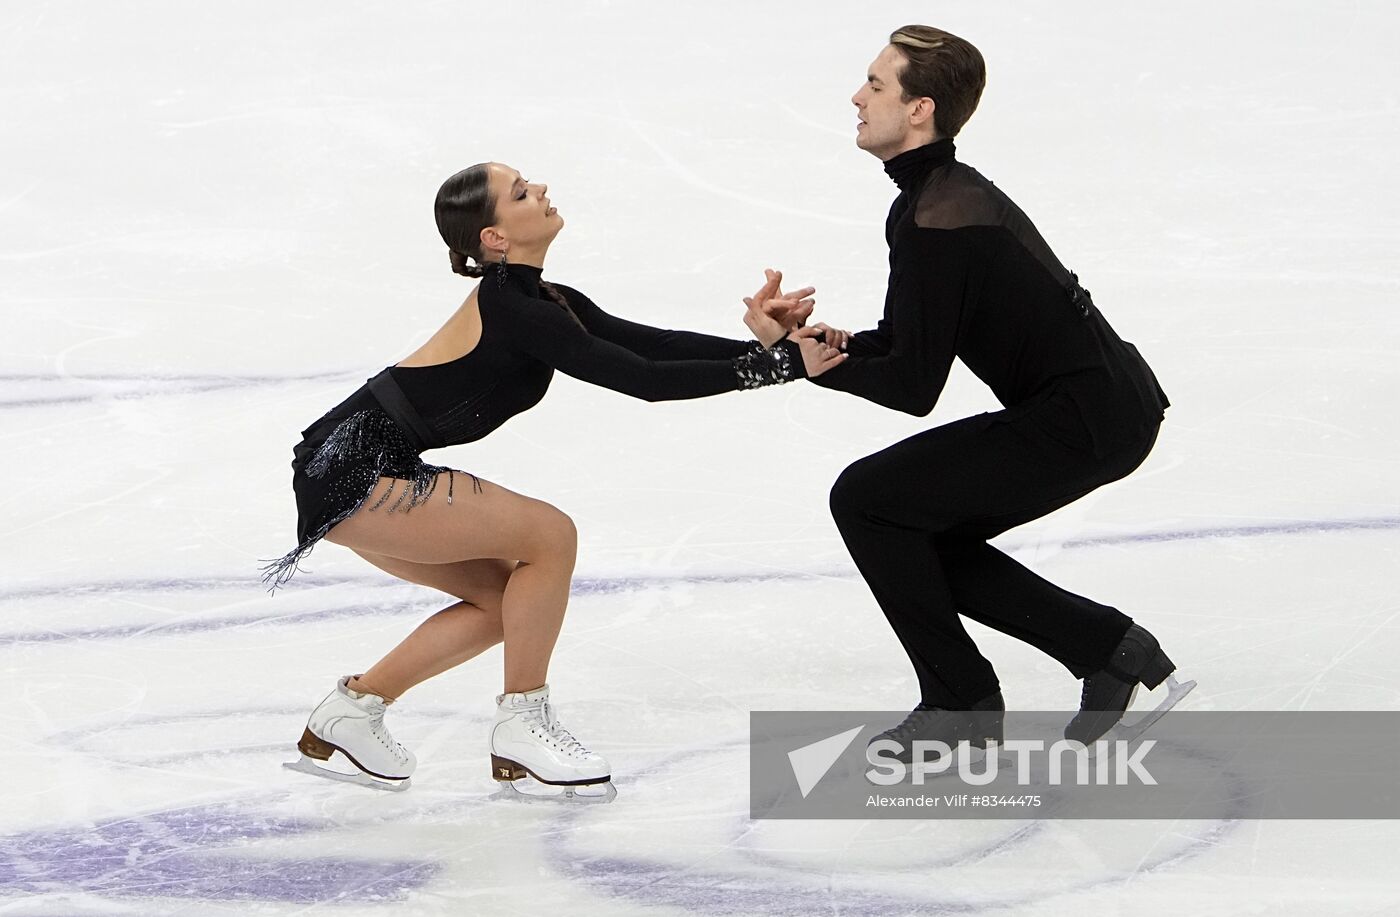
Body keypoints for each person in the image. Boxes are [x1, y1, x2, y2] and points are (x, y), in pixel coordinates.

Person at [264, 161, 845, 798]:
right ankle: (522, 723)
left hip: (361, 464)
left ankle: (355, 709)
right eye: (520, 192)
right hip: (351, 463)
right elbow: (644, 383)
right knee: (550, 535)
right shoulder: (513, 307)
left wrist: (764, 350)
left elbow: (652, 347)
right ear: (494, 238)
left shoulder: (545, 300)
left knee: (502, 602)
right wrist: (783, 367)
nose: (539, 190)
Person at [764, 25, 1191, 756]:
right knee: (910, 525)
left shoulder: (938, 216)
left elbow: (911, 385)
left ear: (920, 109)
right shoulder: (931, 201)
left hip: (1086, 415)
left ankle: (964, 697)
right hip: (1096, 402)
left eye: (876, 84)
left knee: (868, 500)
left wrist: (803, 362)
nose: (857, 97)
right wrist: (821, 342)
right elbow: (908, 342)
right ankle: (1109, 648)